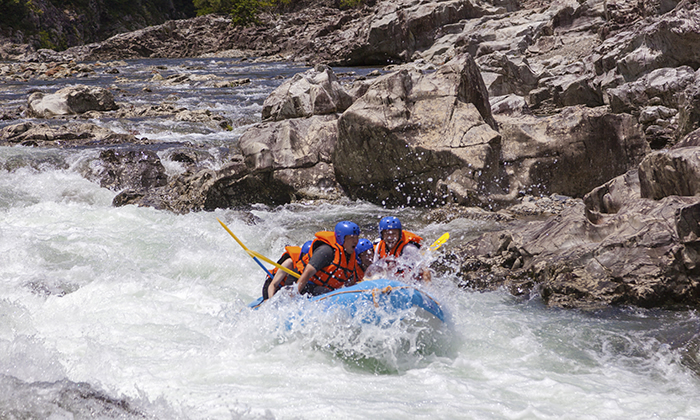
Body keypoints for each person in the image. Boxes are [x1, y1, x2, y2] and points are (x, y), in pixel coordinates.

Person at [295, 221, 362, 296]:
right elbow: (307, 272)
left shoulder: (350, 256)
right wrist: (294, 294)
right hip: (300, 281)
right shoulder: (327, 251)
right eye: (351, 238)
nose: (355, 241)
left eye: (357, 237)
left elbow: (351, 281)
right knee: (326, 292)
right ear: (341, 238)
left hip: (321, 287)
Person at [374, 216, 431, 282]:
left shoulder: (409, 249)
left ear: (399, 234)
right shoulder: (379, 246)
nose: (390, 237)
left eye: (394, 234)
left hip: (412, 284)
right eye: (386, 234)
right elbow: (375, 270)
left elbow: (425, 270)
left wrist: (428, 288)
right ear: (382, 235)